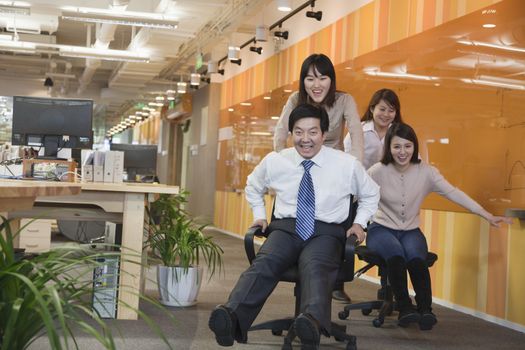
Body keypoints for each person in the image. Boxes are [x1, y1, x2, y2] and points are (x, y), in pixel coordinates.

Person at [209, 104, 379, 348]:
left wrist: (359, 223)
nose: (305, 139)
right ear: (291, 133)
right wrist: (259, 215)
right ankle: (231, 317)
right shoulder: (277, 160)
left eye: (312, 132)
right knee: (265, 263)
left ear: (324, 133)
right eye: (299, 132)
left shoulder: (346, 164)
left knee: (315, 266)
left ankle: (310, 323)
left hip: (326, 232)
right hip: (286, 228)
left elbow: (371, 194)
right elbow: (253, 185)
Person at [366, 123, 513, 330]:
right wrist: (352, 225)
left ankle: (426, 310)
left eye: (407, 146)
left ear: (415, 147)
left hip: (410, 230)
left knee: (417, 260)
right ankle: (405, 308)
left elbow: (454, 193)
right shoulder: (376, 171)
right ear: (388, 148)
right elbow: (358, 197)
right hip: (381, 229)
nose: (402, 152)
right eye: (397, 146)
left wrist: (485, 214)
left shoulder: (426, 172)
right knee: (397, 256)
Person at [273, 53, 364, 303]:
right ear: (303, 81)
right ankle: (303, 266)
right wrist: (283, 167)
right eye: (310, 78)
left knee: (338, 225)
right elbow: (280, 134)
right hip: (303, 170)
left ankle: (335, 278)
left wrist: (354, 173)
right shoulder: (294, 100)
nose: (316, 84)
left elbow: (357, 137)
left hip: (334, 171)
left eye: (322, 78)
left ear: (331, 80)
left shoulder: (345, 100)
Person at [343, 88, 403, 170]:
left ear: (396, 113)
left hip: (390, 181)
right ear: (372, 109)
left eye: (391, 111)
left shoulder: (400, 133)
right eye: (382, 109)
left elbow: (413, 159)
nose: (386, 114)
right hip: (361, 179)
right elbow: (345, 157)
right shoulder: (358, 130)